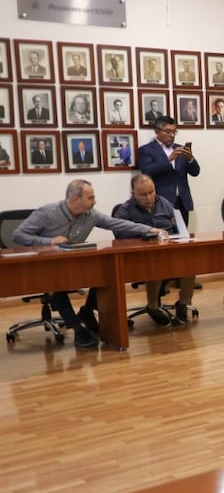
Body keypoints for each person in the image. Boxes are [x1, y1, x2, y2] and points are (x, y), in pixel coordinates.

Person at [13, 179, 163, 349]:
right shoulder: (47, 213)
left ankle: (87, 311)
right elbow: (18, 235)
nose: (94, 202)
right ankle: (78, 329)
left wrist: (149, 230)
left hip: (73, 263)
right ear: (76, 199)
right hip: (46, 265)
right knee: (57, 284)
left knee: (105, 273)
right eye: (90, 198)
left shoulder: (90, 214)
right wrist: (48, 241)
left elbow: (116, 223)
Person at [113, 174, 196, 325]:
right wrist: (147, 235)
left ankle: (183, 304)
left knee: (190, 262)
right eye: (143, 194)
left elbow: (177, 227)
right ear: (133, 194)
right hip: (140, 258)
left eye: (151, 192)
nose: (149, 197)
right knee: (155, 263)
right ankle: (153, 306)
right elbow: (120, 235)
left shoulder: (165, 203)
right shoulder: (125, 210)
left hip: (168, 251)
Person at [138, 116, 200, 225]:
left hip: (182, 202)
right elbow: (146, 171)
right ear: (157, 131)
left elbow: (195, 172)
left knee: (184, 238)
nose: (171, 135)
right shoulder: (147, 150)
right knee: (163, 237)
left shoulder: (180, 149)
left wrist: (190, 159)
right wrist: (169, 159)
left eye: (174, 132)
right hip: (160, 203)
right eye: (167, 131)